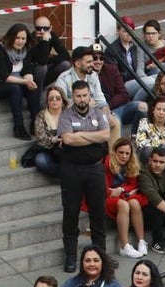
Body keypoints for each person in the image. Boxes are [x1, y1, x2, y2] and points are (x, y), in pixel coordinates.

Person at [57, 80, 110, 273]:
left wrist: (81, 135)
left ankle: (101, 256)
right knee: (70, 212)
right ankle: (71, 255)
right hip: (72, 170)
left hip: (95, 169)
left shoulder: (98, 113)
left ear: (90, 96)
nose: (82, 99)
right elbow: (68, 139)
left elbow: (105, 135)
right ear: (73, 97)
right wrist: (91, 135)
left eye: (85, 95)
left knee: (98, 212)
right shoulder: (65, 115)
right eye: (78, 96)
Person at [0, 23, 40, 138]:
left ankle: (35, 122)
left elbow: (27, 69)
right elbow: (4, 76)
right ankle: (19, 126)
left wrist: (29, 80)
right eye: (17, 38)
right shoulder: (0, 50)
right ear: (11, 37)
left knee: (33, 87)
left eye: (23, 38)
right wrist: (24, 82)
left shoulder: (25, 50)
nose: (20, 41)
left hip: (15, 81)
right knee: (15, 88)